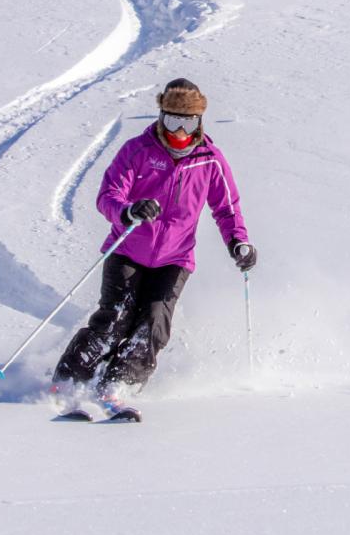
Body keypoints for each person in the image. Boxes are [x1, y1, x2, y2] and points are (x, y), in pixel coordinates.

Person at [52, 78, 256, 399]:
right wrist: (128, 211)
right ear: (161, 116)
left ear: (199, 121)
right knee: (115, 319)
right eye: (172, 120)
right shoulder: (138, 150)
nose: (179, 131)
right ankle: (69, 379)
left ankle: (119, 384)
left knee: (154, 324)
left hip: (175, 259)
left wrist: (238, 242)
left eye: (187, 122)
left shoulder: (209, 160)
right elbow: (108, 195)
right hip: (127, 250)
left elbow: (227, 208)